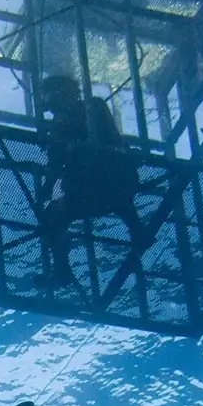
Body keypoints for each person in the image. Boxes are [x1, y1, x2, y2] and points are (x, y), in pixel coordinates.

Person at [33, 74, 137, 289]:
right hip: (112, 186)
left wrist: (46, 187)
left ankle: (62, 271)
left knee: (54, 215)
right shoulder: (92, 107)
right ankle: (135, 226)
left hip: (97, 185)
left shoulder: (88, 110)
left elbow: (56, 161)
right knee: (57, 214)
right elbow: (58, 159)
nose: (49, 105)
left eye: (50, 98)